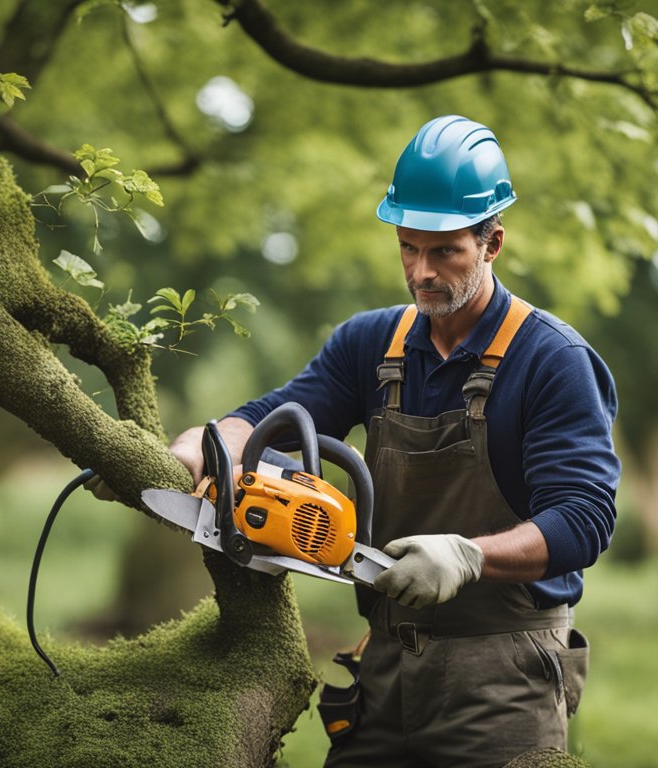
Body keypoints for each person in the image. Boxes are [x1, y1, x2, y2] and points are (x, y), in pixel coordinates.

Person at [168, 115, 620, 766]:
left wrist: (467, 556)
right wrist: (198, 447)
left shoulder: (551, 360)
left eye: (444, 252)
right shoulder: (371, 344)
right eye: (408, 248)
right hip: (383, 665)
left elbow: (583, 521)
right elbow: (273, 420)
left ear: (493, 242)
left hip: (503, 675)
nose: (421, 271)